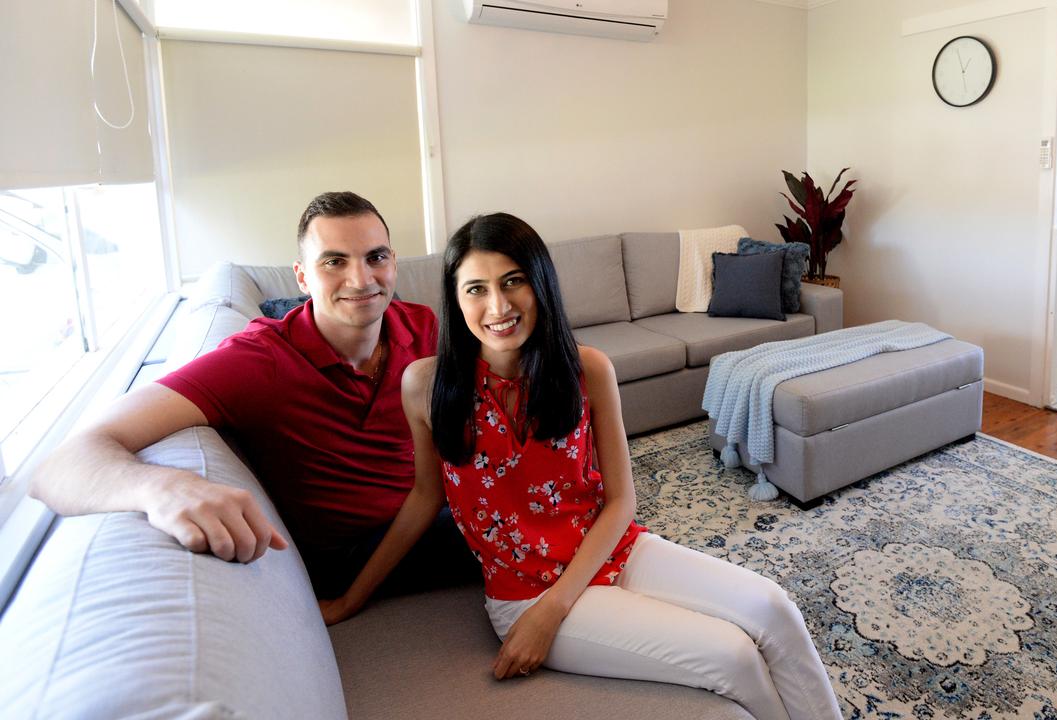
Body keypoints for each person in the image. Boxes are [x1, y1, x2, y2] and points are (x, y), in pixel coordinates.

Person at [389, 213, 842, 720]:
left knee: (774, 608)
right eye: (476, 288)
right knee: (732, 656)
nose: (497, 305)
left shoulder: (587, 369)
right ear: (454, 300)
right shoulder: (426, 385)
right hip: (524, 594)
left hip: (613, 549)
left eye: (513, 281)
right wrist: (348, 600)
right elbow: (424, 499)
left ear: (540, 284)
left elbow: (622, 500)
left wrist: (557, 608)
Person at [31, 191, 475, 624]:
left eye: (375, 257)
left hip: (430, 505)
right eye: (334, 262)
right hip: (353, 552)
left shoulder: (423, 327)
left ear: (394, 263)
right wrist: (159, 489)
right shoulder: (256, 362)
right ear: (302, 277)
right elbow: (58, 466)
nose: (361, 279)